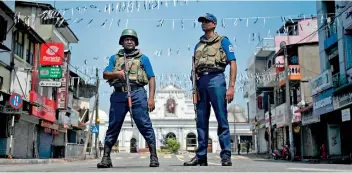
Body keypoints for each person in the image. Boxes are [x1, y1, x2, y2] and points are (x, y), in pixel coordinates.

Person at [97, 29, 159, 168]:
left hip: (137, 93)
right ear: (122, 42)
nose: (129, 41)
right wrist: (117, 74)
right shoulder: (115, 58)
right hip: (119, 94)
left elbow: (151, 77)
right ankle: (106, 157)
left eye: (132, 39)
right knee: (114, 125)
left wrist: (151, 98)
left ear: (135, 42)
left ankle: (153, 156)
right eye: (126, 39)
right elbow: (106, 74)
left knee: (144, 124)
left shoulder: (143, 58)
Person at [184, 13, 237, 167]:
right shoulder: (198, 45)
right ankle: (201, 157)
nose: (204, 24)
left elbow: (233, 63)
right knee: (201, 121)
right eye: (202, 21)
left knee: (222, 118)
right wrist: (195, 85)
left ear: (214, 24)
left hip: (216, 79)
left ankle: (226, 155)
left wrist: (231, 86)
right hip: (201, 82)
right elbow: (194, 68)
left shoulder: (223, 41)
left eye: (207, 21)